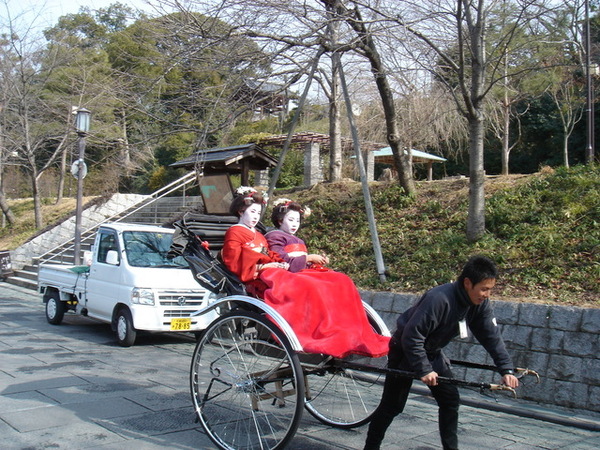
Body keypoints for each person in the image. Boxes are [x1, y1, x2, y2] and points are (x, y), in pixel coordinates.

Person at [364, 255, 519, 450]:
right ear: (467, 283)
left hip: (432, 352)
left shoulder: (479, 304)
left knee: (450, 400)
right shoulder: (439, 299)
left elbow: (491, 336)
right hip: (405, 351)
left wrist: (506, 369)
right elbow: (412, 337)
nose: (487, 294)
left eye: (490, 290)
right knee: (392, 407)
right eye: (484, 289)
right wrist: (424, 369)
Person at [221, 187, 390, 358]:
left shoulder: (257, 233)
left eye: (258, 212)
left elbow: (270, 254)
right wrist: (264, 267)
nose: (256, 216)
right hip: (257, 276)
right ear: (241, 211)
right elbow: (233, 261)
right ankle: (319, 332)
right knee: (308, 285)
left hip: (275, 269)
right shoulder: (235, 231)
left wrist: (279, 263)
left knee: (340, 280)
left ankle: (344, 330)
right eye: (252, 212)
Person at [265, 198, 329, 272]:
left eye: (297, 221)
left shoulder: (299, 240)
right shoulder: (275, 236)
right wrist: (308, 258)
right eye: (291, 220)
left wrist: (320, 260)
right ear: (280, 221)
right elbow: (279, 259)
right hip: (286, 274)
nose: (295, 224)